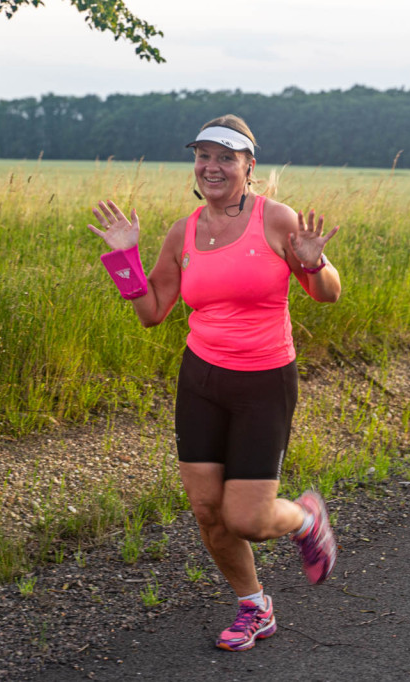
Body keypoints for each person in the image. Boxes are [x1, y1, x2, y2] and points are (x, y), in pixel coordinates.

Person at [87, 114, 341, 652]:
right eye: (203, 156)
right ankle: (255, 607)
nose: (212, 166)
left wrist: (315, 266)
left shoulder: (276, 220)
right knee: (207, 511)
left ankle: (304, 518)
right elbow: (153, 312)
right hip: (201, 379)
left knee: (246, 517)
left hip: (264, 383)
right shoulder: (184, 231)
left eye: (226, 156)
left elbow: (327, 293)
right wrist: (123, 258)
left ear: (250, 166)